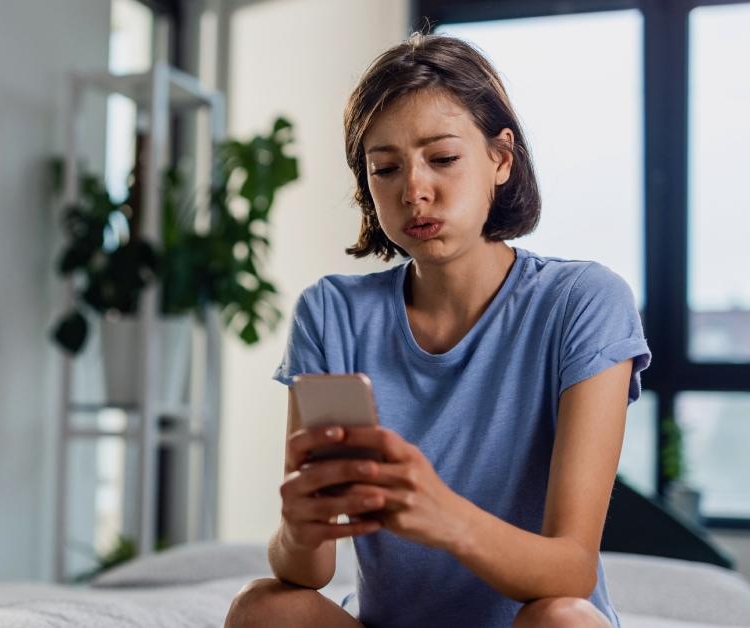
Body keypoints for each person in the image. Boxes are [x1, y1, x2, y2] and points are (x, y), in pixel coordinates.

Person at [223, 31, 651, 628]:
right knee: (263, 609)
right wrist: (297, 528)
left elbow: (571, 570)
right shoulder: (332, 312)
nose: (414, 191)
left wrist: (442, 514)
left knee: (564, 620)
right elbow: (309, 572)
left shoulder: (584, 302)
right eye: (385, 168)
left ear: (501, 158)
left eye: (442, 158)